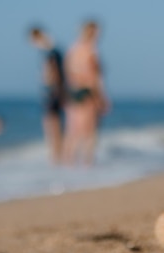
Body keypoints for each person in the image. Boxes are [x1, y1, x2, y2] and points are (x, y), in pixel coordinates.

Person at [63, 20, 109, 166]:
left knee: (73, 132)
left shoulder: (73, 49)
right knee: (89, 133)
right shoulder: (90, 50)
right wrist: (101, 97)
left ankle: (68, 165)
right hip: (88, 94)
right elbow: (95, 78)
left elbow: (68, 73)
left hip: (73, 93)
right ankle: (87, 165)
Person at [29, 26, 66, 164]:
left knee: (52, 128)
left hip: (51, 94)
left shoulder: (49, 51)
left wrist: (48, 83)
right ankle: (58, 158)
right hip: (56, 92)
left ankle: (56, 159)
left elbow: (53, 72)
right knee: (56, 127)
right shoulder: (54, 50)